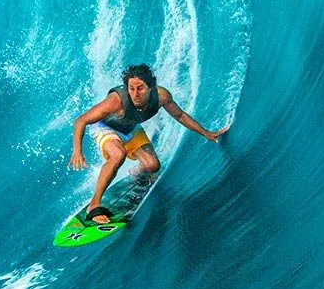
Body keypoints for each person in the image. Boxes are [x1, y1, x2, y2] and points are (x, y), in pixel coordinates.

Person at [70, 63, 225, 227]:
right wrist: (78, 151)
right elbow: (81, 121)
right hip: (105, 127)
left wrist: (205, 132)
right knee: (118, 155)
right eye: (131, 88)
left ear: (151, 87)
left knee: (152, 166)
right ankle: (94, 205)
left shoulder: (162, 96)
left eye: (140, 88)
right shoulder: (115, 101)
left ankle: (136, 173)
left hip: (130, 128)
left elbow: (179, 115)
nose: (135, 94)